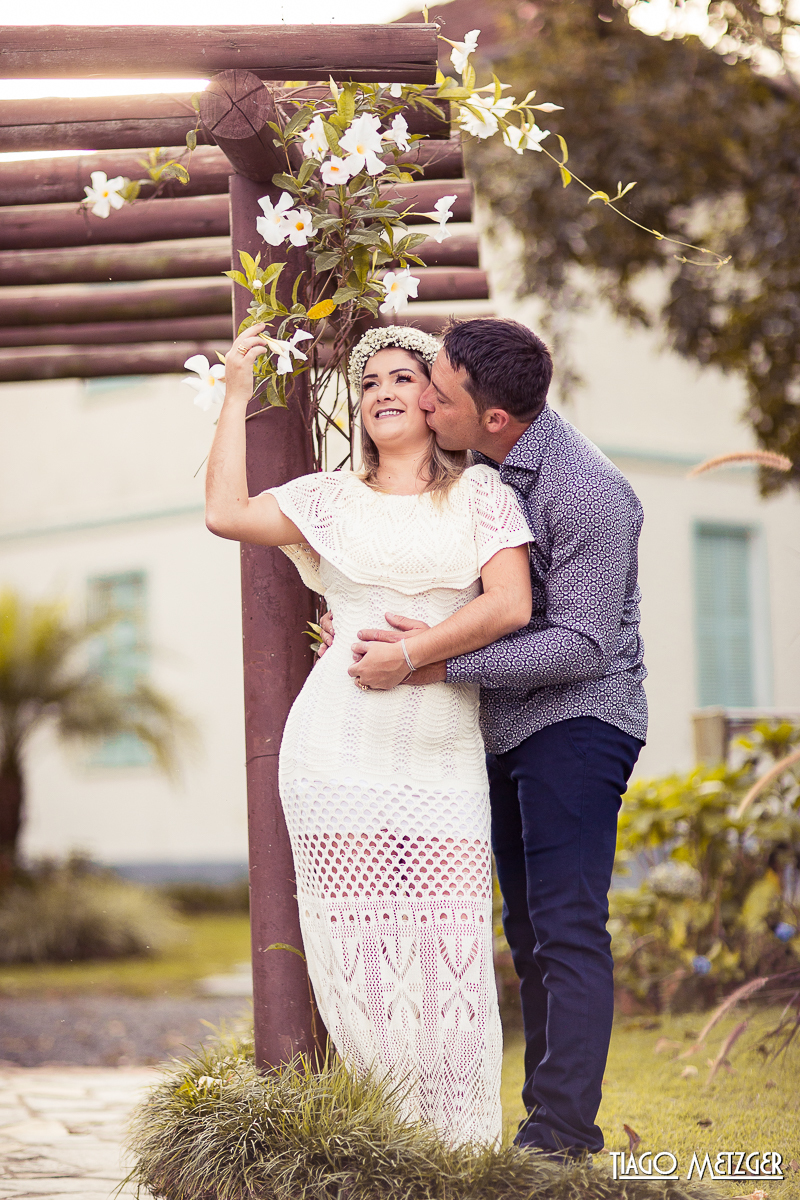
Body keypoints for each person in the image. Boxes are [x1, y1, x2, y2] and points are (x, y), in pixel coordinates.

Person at [204, 321, 534, 1147]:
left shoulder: (482, 498)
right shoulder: (329, 499)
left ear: (433, 398)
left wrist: (416, 653)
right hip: (336, 749)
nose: (382, 393)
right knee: (358, 956)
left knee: (448, 944)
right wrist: (235, 391)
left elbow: (511, 606)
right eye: (368, 383)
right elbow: (225, 514)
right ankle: (389, 1146)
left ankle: (461, 1150)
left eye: (400, 378)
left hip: (442, 750)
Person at [333, 317, 648, 1163]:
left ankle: (561, 1135)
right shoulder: (486, 468)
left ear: (494, 418)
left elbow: (582, 644)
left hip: (580, 724)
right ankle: (545, 1124)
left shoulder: (587, 492)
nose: (422, 399)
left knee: (567, 927)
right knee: (527, 931)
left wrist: (434, 668)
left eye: (437, 391)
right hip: (509, 723)